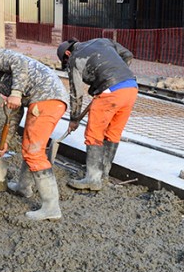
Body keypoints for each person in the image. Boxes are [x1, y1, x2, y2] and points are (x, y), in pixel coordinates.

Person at [0, 49, 69, 221]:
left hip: (45, 99)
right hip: (45, 100)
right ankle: (23, 187)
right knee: (29, 147)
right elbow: (15, 113)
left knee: (34, 152)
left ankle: (51, 208)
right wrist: (6, 141)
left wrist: (15, 94)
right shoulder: (3, 77)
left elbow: (20, 62)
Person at [57, 38, 137, 191]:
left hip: (111, 92)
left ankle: (92, 179)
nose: (68, 65)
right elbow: (128, 55)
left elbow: (76, 94)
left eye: (66, 62)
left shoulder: (75, 58)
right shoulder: (103, 41)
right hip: (131, 87)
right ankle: (103, 174)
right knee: (113, 133)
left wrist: (74, 119)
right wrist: (117, 75)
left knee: (94, 134)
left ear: (68, 53)